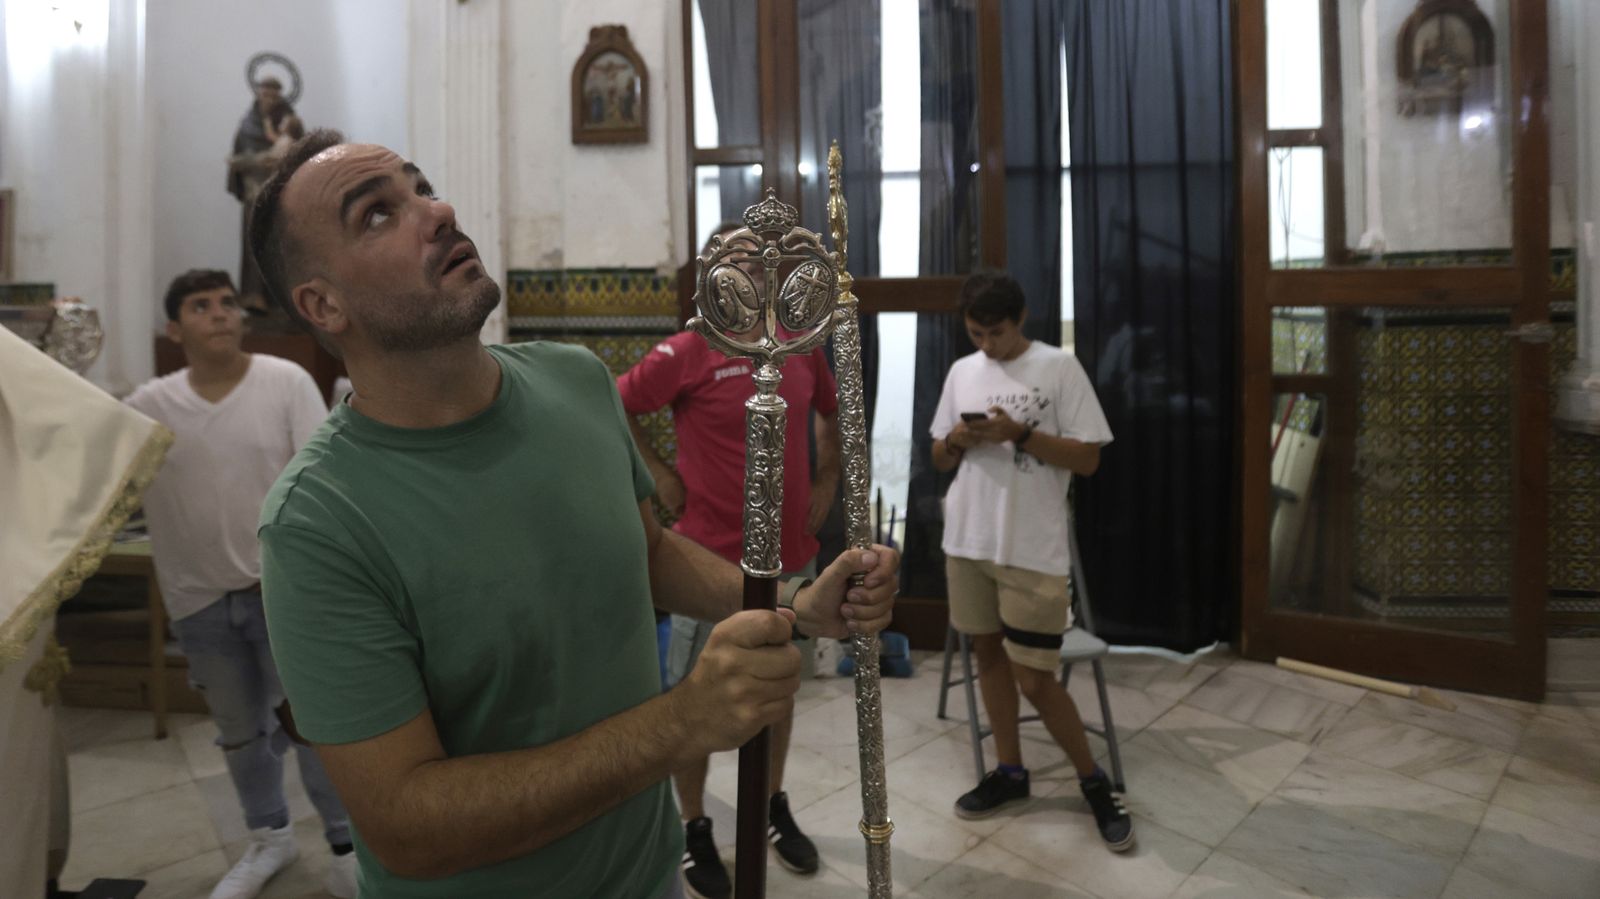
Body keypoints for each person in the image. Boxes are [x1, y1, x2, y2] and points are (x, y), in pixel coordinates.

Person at [245, 130, 899, 899]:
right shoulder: (318, 524)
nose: (438, 210)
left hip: (647, 873)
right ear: (323, 303)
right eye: (378, 215)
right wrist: (680, 721)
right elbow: (405, 824)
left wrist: (794, 602)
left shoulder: (575, 380)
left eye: (420, 187)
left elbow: (648, 551)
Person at [617, 225, 839, 898]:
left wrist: (826, 477)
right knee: (696, 702)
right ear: (717, 277)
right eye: (739, 261)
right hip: (705, 565)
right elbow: (616, 401)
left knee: (776, 689)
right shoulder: (689, 349)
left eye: (763, 263)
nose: (752, 271)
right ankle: (693, 826)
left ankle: (772, 802)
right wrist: (656, 474)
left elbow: (829, 412)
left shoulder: (801, 348)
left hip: (789, 562)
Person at [122, 269, 356, 898]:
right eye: (202, 306)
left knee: (312, 725)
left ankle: (345, 846)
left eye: (228, 302)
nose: (221, 313)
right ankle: (269, 839)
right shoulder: (149, 407)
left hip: (280, 596)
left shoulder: (284, 383)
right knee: (241, 732)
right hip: (198, 600)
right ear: (176, 329)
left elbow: (322, 480)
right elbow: (109, 480)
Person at [929, 271, 1133, 851]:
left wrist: (1019, 435)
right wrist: (957, 444)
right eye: (975, 333)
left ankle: (1093, 782)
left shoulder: (1057, 368)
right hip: (968, 540)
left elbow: (1089, 460)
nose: (986, 345)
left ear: (1021, 320)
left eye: (996, 332)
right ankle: (1011, 771)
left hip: (1031, 548)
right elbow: (938, 455)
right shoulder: (961, 372)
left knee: (1037, 680)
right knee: (987, 656)